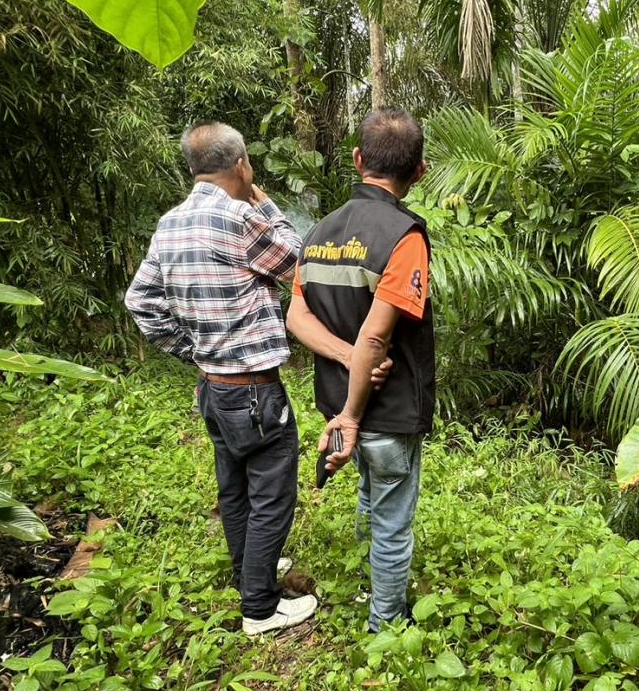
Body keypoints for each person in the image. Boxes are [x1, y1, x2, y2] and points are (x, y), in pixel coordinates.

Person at [125, 121, 316, 636]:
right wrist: (266, 204)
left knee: (235, 489)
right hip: (253, 387)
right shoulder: (239, 218)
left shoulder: (170, 223)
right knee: (273, 491)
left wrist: (192, 351)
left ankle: (248, 573)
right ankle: (259, 607)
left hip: (212, 387)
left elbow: (140, 300)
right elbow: (298, 261)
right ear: (241, 164)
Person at [287, 107, 433, 632]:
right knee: (393, 520)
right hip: (384, 410)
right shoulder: (404, 236)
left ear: (357, 160)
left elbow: (296, 315)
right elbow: (375, 335)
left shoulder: (319, 232)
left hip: (337, 403)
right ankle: (384, 625)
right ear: (419, 171)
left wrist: (345, 370)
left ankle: (364, 574)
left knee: (370, 490)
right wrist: (354, 403)